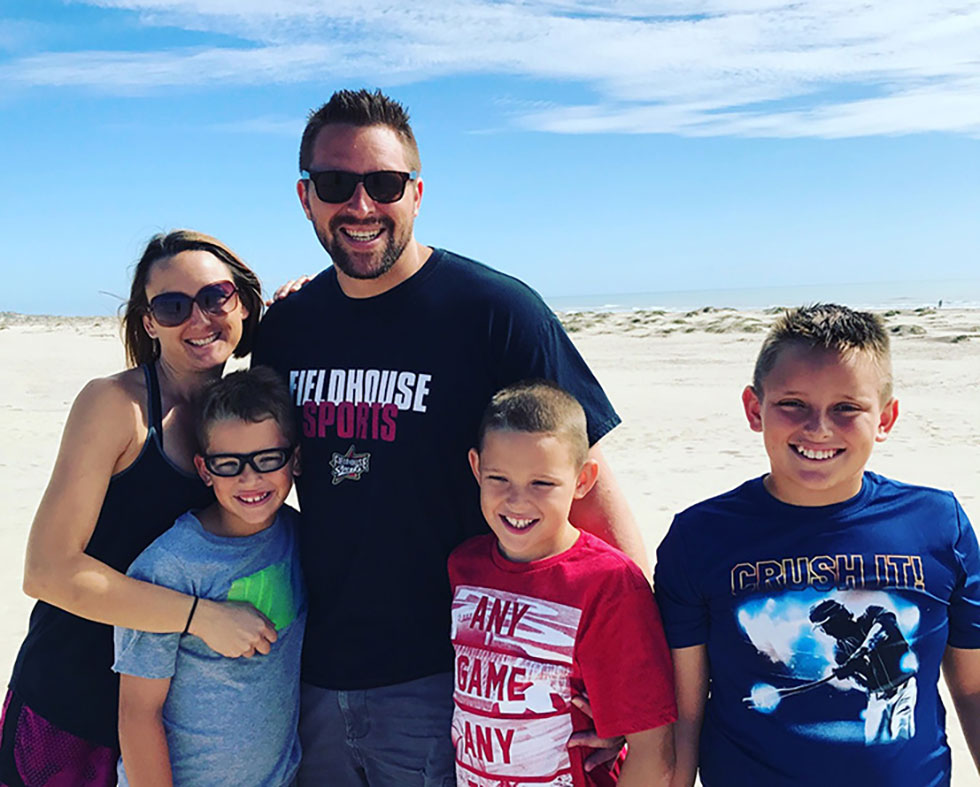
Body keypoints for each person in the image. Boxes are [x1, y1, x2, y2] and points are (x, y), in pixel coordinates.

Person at [252, 88, 646, 785]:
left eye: (384, 183)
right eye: (337, 184)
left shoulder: (496, 314)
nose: (362, 206)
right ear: (305, 196)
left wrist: (618, 672)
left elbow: (586, 488)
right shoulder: (286, 328)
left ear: (418, 192)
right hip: (310, 670)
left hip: (459, 674)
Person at [654, 304, 980, 786]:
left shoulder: (938, 524)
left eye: (847, 408)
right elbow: (682, 714)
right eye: (793, 404)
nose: (819, 428)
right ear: (754, 409)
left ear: (885, 418)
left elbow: (972, 690)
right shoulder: (699, 537)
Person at [0, 231, 278, 787]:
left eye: (215, 297)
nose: (198, 318)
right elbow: (47, 570)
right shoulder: (118, 406)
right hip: (75, 705)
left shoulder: (246, 413)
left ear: (243, 303)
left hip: (176, 721)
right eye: (172, 306)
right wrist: (202, 619)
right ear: (148, 322)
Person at [449, 380, 677, 786]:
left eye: (542, 483)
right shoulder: (464, 567)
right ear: (475, 467)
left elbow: (652, 747)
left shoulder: (608, 585)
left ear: (583, 479)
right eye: (499, 478)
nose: (517, 501)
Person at [114, 367, 304, 786]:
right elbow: (137, 713)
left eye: (267, 459)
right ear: (204, 469)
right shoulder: (169, 566)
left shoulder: (298, 536)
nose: (250, 478)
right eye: (228, 464)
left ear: (296, 459)